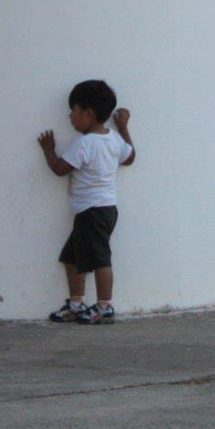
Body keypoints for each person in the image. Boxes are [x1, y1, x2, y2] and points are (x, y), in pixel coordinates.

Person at [36, 79, 136, 324]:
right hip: (100, 210)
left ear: (89, 113)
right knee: (72, 257)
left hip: (94, 211)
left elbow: (60, 169)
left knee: (100, 258)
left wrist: (48, 150)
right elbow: (130, 157)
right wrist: (123, 127)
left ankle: (104, 307)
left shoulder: (84, 144)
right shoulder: (112, 139)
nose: (70, 117)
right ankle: (76, 302)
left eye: (74, 111)